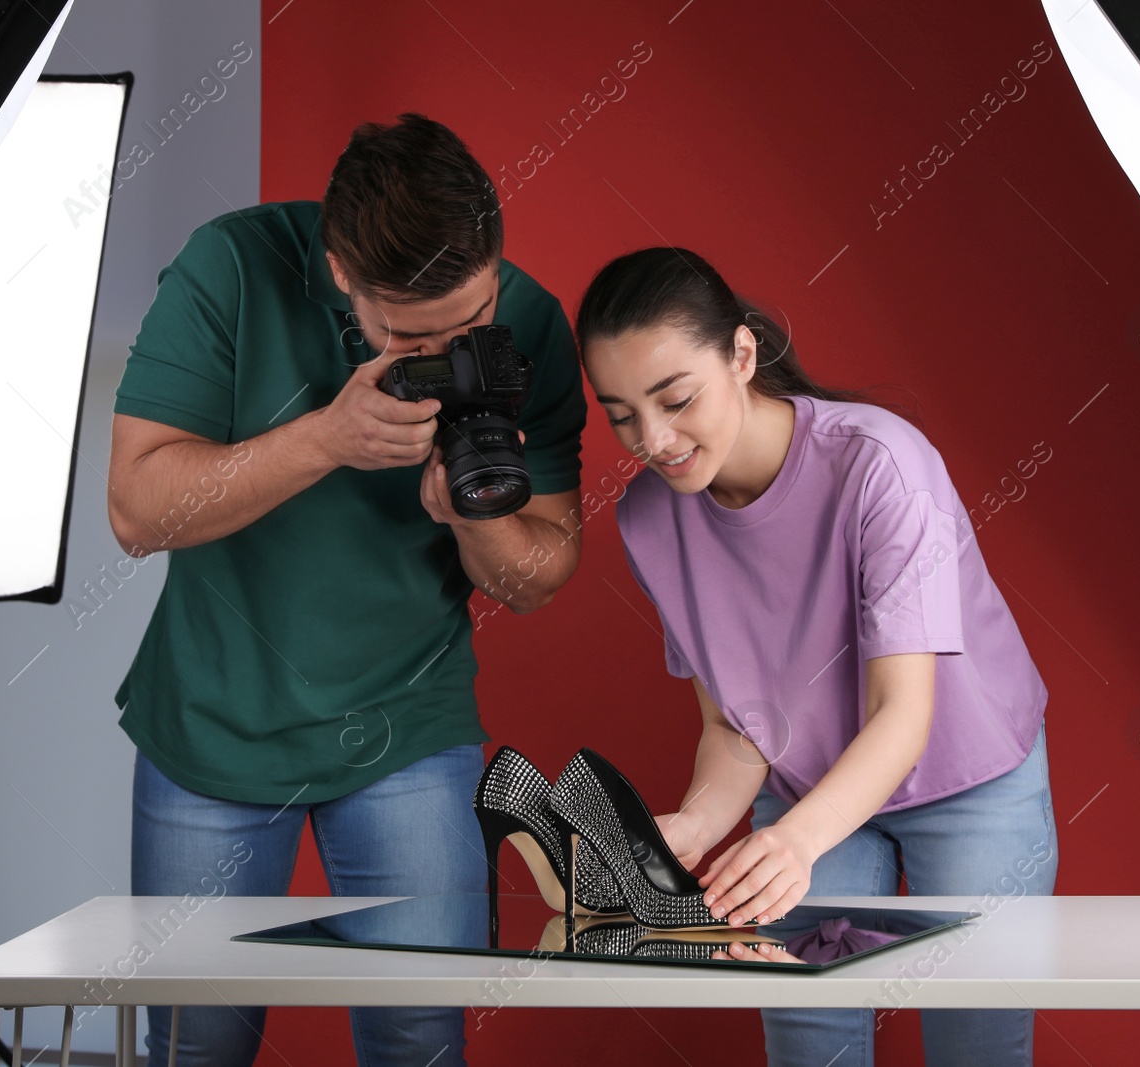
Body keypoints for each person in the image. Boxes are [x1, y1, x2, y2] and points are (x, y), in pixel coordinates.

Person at [106, 113, 588, 1067]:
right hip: (214, 719)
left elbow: (539, 578)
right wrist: (324, 440)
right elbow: (136, 511)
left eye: (470, 321)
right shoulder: (232, 268)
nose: (449, 348)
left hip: (408, 721)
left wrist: (473, 515)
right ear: (340, 274)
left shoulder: (528, 320)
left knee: (419, 1036)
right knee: (192, 1046)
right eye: (413, 335)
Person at [572, 246, 1058, 1066]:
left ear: (742, 354)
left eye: (676, 398)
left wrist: (795, 842)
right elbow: (734, 730)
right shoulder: (648, 520)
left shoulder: (882, 464)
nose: (653, 439)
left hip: (968, 779)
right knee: (807, 1039)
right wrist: (693, 822)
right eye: (622, 415)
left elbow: (904, 712)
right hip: (808, 787)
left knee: (976, 1044)